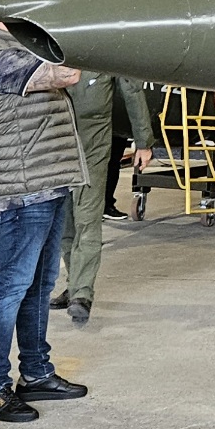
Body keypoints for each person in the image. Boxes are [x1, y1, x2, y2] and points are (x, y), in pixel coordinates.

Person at [0, 0, 90, 423]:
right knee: (11, 289)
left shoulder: (19, 46)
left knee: (38, 286)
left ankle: (36, 373)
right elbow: (67, 73)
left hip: (47, 183)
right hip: (22, 191)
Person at [51, 70, 154, 325]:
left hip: (92, 148)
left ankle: (82, 294)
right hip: (56, 146)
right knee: (64, 223)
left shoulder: (105, 55)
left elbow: (132, 90)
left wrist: (143, 142)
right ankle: (74, 284)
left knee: (87, 219)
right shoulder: (53, 52)